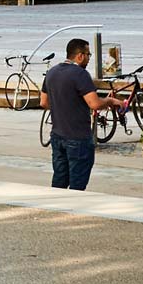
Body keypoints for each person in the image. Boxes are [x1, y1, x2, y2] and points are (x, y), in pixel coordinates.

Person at [41, 37, 105, 191]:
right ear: (80, 56)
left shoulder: (52, 72)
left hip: (57, 135)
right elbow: (95, 104)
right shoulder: (80, 74)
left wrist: (62, 107)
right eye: (88, 54)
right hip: (78, 137)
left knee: (59, 180)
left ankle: (57, 203)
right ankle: (74, 204)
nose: (89, 58)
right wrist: (110, 101)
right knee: (78, 183)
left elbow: (43, 102)